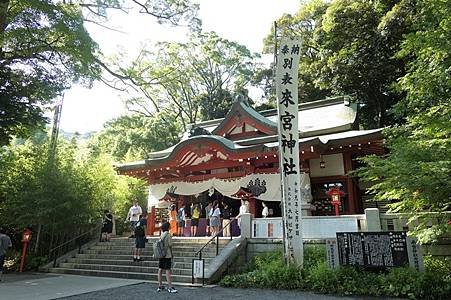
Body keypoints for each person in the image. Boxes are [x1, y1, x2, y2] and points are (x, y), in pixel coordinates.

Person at [157, 222, 177, 293]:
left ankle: (160, 285)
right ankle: (170, 287)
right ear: (168, 227)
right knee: (168, 270)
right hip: (167, 254)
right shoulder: (168, 235)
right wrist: (172, 254)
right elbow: (170, 245)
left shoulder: (161, 235)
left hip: (161, 254)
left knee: (160, 269)